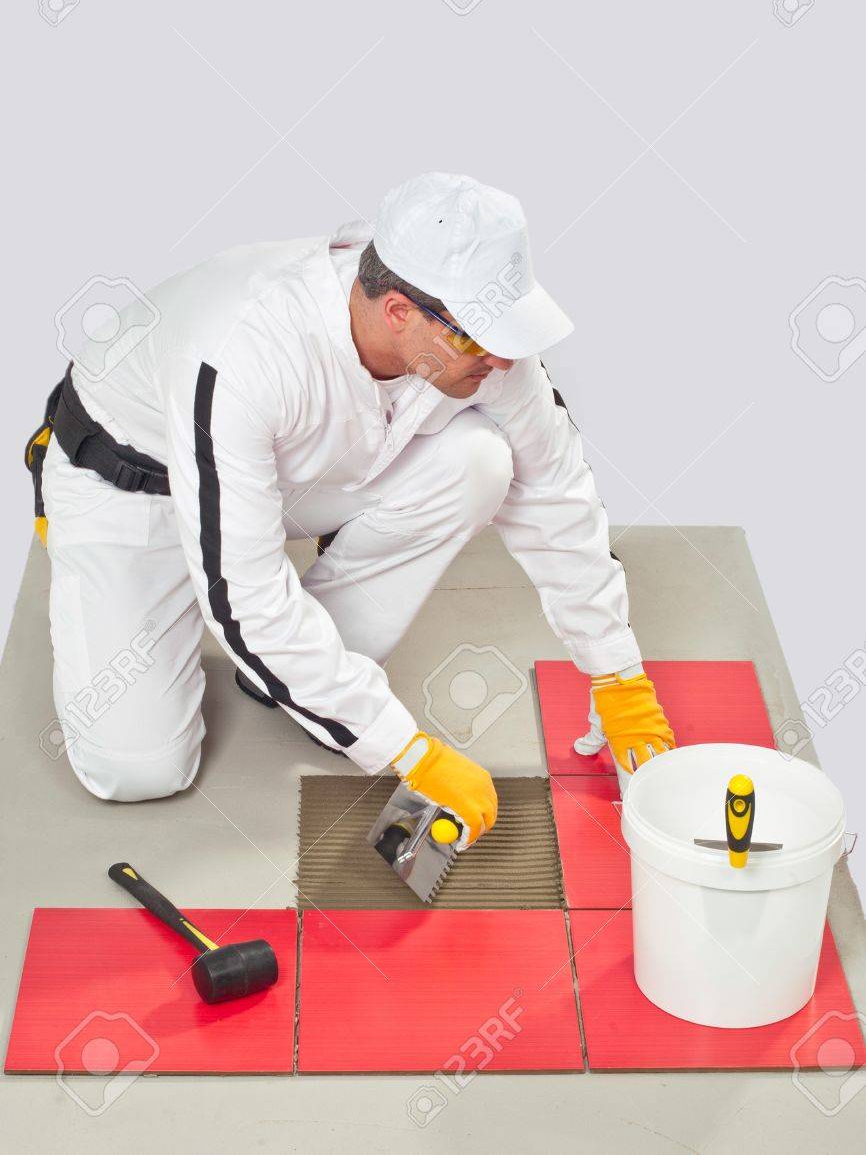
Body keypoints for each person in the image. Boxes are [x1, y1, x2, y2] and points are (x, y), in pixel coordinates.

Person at [27, 171, 675, 849]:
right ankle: (283, 670)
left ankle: (301, 676)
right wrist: (406, 752)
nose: (503, 356)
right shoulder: (246, 350)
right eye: (479, 337)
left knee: (483, 462)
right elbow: (241, 600)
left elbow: (554, 488)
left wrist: (617, 672)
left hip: (279, 473)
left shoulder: (470, 341)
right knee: (136, 767)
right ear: (398, 311)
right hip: (135, 482)